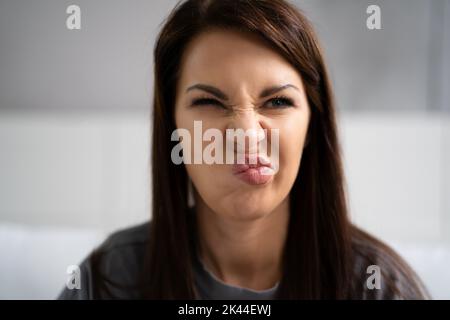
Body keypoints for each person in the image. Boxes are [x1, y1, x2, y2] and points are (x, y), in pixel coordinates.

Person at [58, 0, 430, 300]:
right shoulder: (107, 280)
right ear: (174, 129)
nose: (247, 135)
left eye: (278, 102)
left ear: (311, 126)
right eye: (209, 102)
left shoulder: (379, 287)